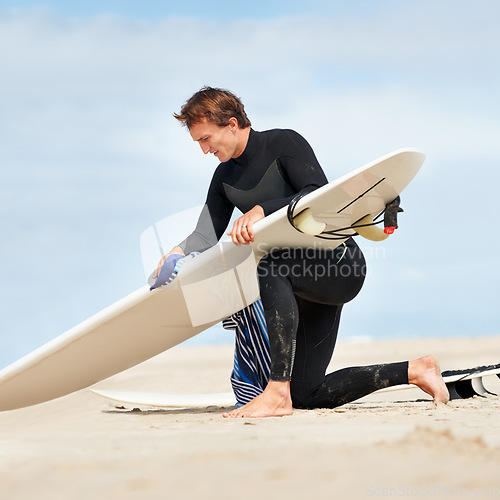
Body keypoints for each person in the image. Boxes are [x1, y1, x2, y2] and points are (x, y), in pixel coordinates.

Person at [153, 86, 449, 418]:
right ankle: (416, 370)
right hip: (296, 285)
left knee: (270, 265)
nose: (204, 149)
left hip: (337, 264)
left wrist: (262, 209)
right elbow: (207, 232)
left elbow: (318, 193)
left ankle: (276, 392)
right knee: (308, 392)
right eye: (198, 143)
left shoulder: (283, 144)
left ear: (232, 124)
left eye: (206, 139)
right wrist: (175, 254)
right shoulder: (224, 177)